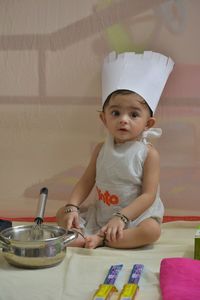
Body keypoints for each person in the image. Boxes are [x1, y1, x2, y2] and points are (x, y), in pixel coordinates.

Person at [56, 51, 174, 249]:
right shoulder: (101, 149)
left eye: (134, 114)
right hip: (103, 212)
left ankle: (101, 239)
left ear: (148, 123)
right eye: (116, 112)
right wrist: (72, 206)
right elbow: (86, 180)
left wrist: (122, 217)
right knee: (61, 213)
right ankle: (83, 233)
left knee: (151, 231)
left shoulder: (148, 154)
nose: (123, 119)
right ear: (104, 118)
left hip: (134, 217)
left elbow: (148, 195)